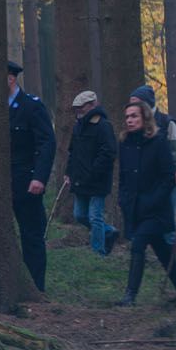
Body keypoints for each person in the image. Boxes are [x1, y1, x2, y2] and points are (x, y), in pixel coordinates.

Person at [117, 99, 176, 305]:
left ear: (145, 117)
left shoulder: (157, 142)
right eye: (127, 117)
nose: (130, 121)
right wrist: (123, 199)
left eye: (134, 116)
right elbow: (123, 176)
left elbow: (168, 176)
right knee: (161, 248)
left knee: (138, 244)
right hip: (134, 208)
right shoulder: (124, 143)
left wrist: (153, 200)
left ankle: (130, 295)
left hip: (156, 210)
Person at [7, 61, 56, 291]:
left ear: (11, 79)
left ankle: (36, 287)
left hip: (27, 183)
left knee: (31, 236)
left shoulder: (31, 107)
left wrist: (39, 177)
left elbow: (46, 143)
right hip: (1, 185)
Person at [65, 90, 119, 256]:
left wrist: (94, 171)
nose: (79, 110)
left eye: (82, 107)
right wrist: (68, 173)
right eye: (77, 107)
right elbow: (72, 152)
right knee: (80, 215)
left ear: (92, 105)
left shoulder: (103, 125)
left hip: (97, 181)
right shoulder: (77, 126)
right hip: (80, 179)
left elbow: (109, 152)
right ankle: (109, 231)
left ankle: (98, 253)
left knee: (95, 217)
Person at [130, 84, 176, 242]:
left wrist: (171, 173)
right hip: (147, 183)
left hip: (169, 181)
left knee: (170, 223)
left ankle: (171, 262)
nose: (133, 107)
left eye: (136, 102)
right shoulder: (134, 123)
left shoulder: (167, 122)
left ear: (146, 103)